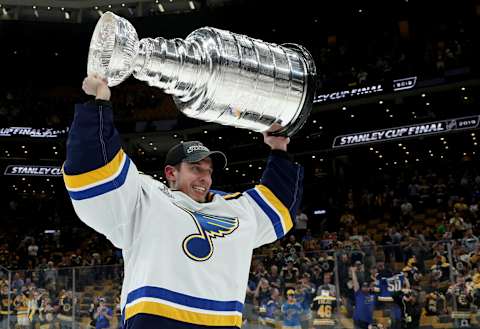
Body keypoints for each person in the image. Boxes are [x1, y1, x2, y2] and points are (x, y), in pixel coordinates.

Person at [63, 75, 304, 329]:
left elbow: (279, 205)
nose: (205, 177)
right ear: (171, 173)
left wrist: (278, 147)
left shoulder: (236, 209)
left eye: (209, 171)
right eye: (196, 168)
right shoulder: (146, 196)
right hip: (156, 321)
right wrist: (100, 102)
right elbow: (93, 169)